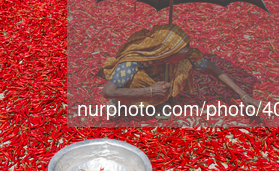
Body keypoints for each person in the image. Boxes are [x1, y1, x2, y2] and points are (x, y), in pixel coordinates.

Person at [101, 24, 259, 117]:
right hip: (140, 83)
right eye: (177, 57)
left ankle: (159, 102)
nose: (182, 58)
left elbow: (211, 68)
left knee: (185, 66)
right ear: (165, 53)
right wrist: (150, 91)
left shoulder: (179, 56)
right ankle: (122, 103)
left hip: (157, 78)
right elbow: (108, 91)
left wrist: (242, 95)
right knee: (134, 80)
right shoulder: (135, 60)